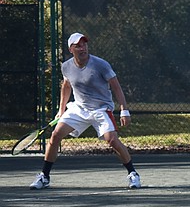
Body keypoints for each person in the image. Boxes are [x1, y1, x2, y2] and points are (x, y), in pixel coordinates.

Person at [29, 32, 141, 190]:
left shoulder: (101, 64)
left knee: (112, 140)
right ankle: (44, 176)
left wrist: (124, 110)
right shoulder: (66, 66)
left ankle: (133, 174)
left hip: (101, 109)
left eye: (84, 44)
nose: (83, 48)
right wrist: (61, 110)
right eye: (78, 45)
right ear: (71, 49)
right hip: (79, 108)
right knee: (55, 135)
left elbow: (116, 86)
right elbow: (66, 86)